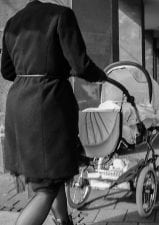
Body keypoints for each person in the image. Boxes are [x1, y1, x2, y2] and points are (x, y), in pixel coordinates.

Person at [1, 0, 107, 224]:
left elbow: (7, 71)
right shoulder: (61, 15)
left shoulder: (12, 23)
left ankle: (63, 222)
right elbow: (80, 65)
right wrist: (102, 76)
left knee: (52, 175)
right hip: (48, 106)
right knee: (46, 188)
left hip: (18, 106)